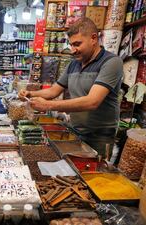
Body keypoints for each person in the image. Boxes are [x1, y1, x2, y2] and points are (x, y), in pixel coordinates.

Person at [19, 18, 123, 157]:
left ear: (93, 38)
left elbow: (92, 101)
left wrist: (48, 106)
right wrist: (30, 94)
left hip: (99, 136)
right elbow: (53, 91)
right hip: (75, 130)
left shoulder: (111, 62)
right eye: (71, 45)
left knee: (94, 174)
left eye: (77, 44)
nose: (73, 50)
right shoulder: (73, 64)